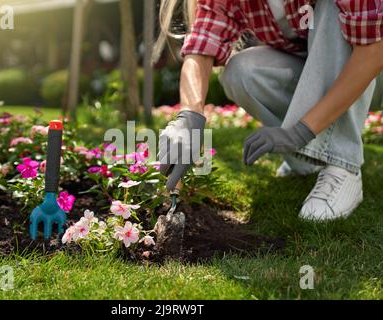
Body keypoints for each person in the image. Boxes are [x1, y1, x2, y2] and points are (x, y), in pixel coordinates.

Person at [156, 0, 383, 221]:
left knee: (332, 6)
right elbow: (201, 46)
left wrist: (299, 132)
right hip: (318, 70)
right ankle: (305, 159)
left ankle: (341, 164)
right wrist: (189, 116)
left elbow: (373, 50)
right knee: (242, 73)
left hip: (370, 65)